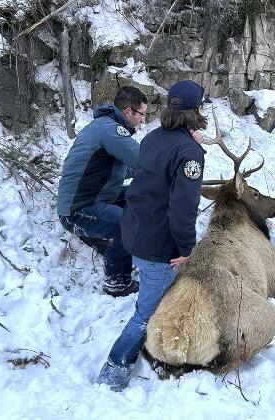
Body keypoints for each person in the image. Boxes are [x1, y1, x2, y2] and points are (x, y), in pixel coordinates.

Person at [95, 80, 208, 391]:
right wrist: (187, 247)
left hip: (136, 233)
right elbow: (182, 209)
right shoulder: (190, 153)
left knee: (156, 296)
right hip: (159, 247)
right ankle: (115, 368)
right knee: (145, 312)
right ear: (196, 111)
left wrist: (190, 144)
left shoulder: (154, 138)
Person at [57, 86, 148, 297]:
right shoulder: (110, 131)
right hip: (77, 210)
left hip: (99, 196)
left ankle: (129, 246)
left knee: (141, 193)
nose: (143, 120)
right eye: (142, 114)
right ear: (128, 112)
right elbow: (143, 161)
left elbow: (126, 169)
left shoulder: (106, 127)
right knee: (127, 223)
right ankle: (117, 282)